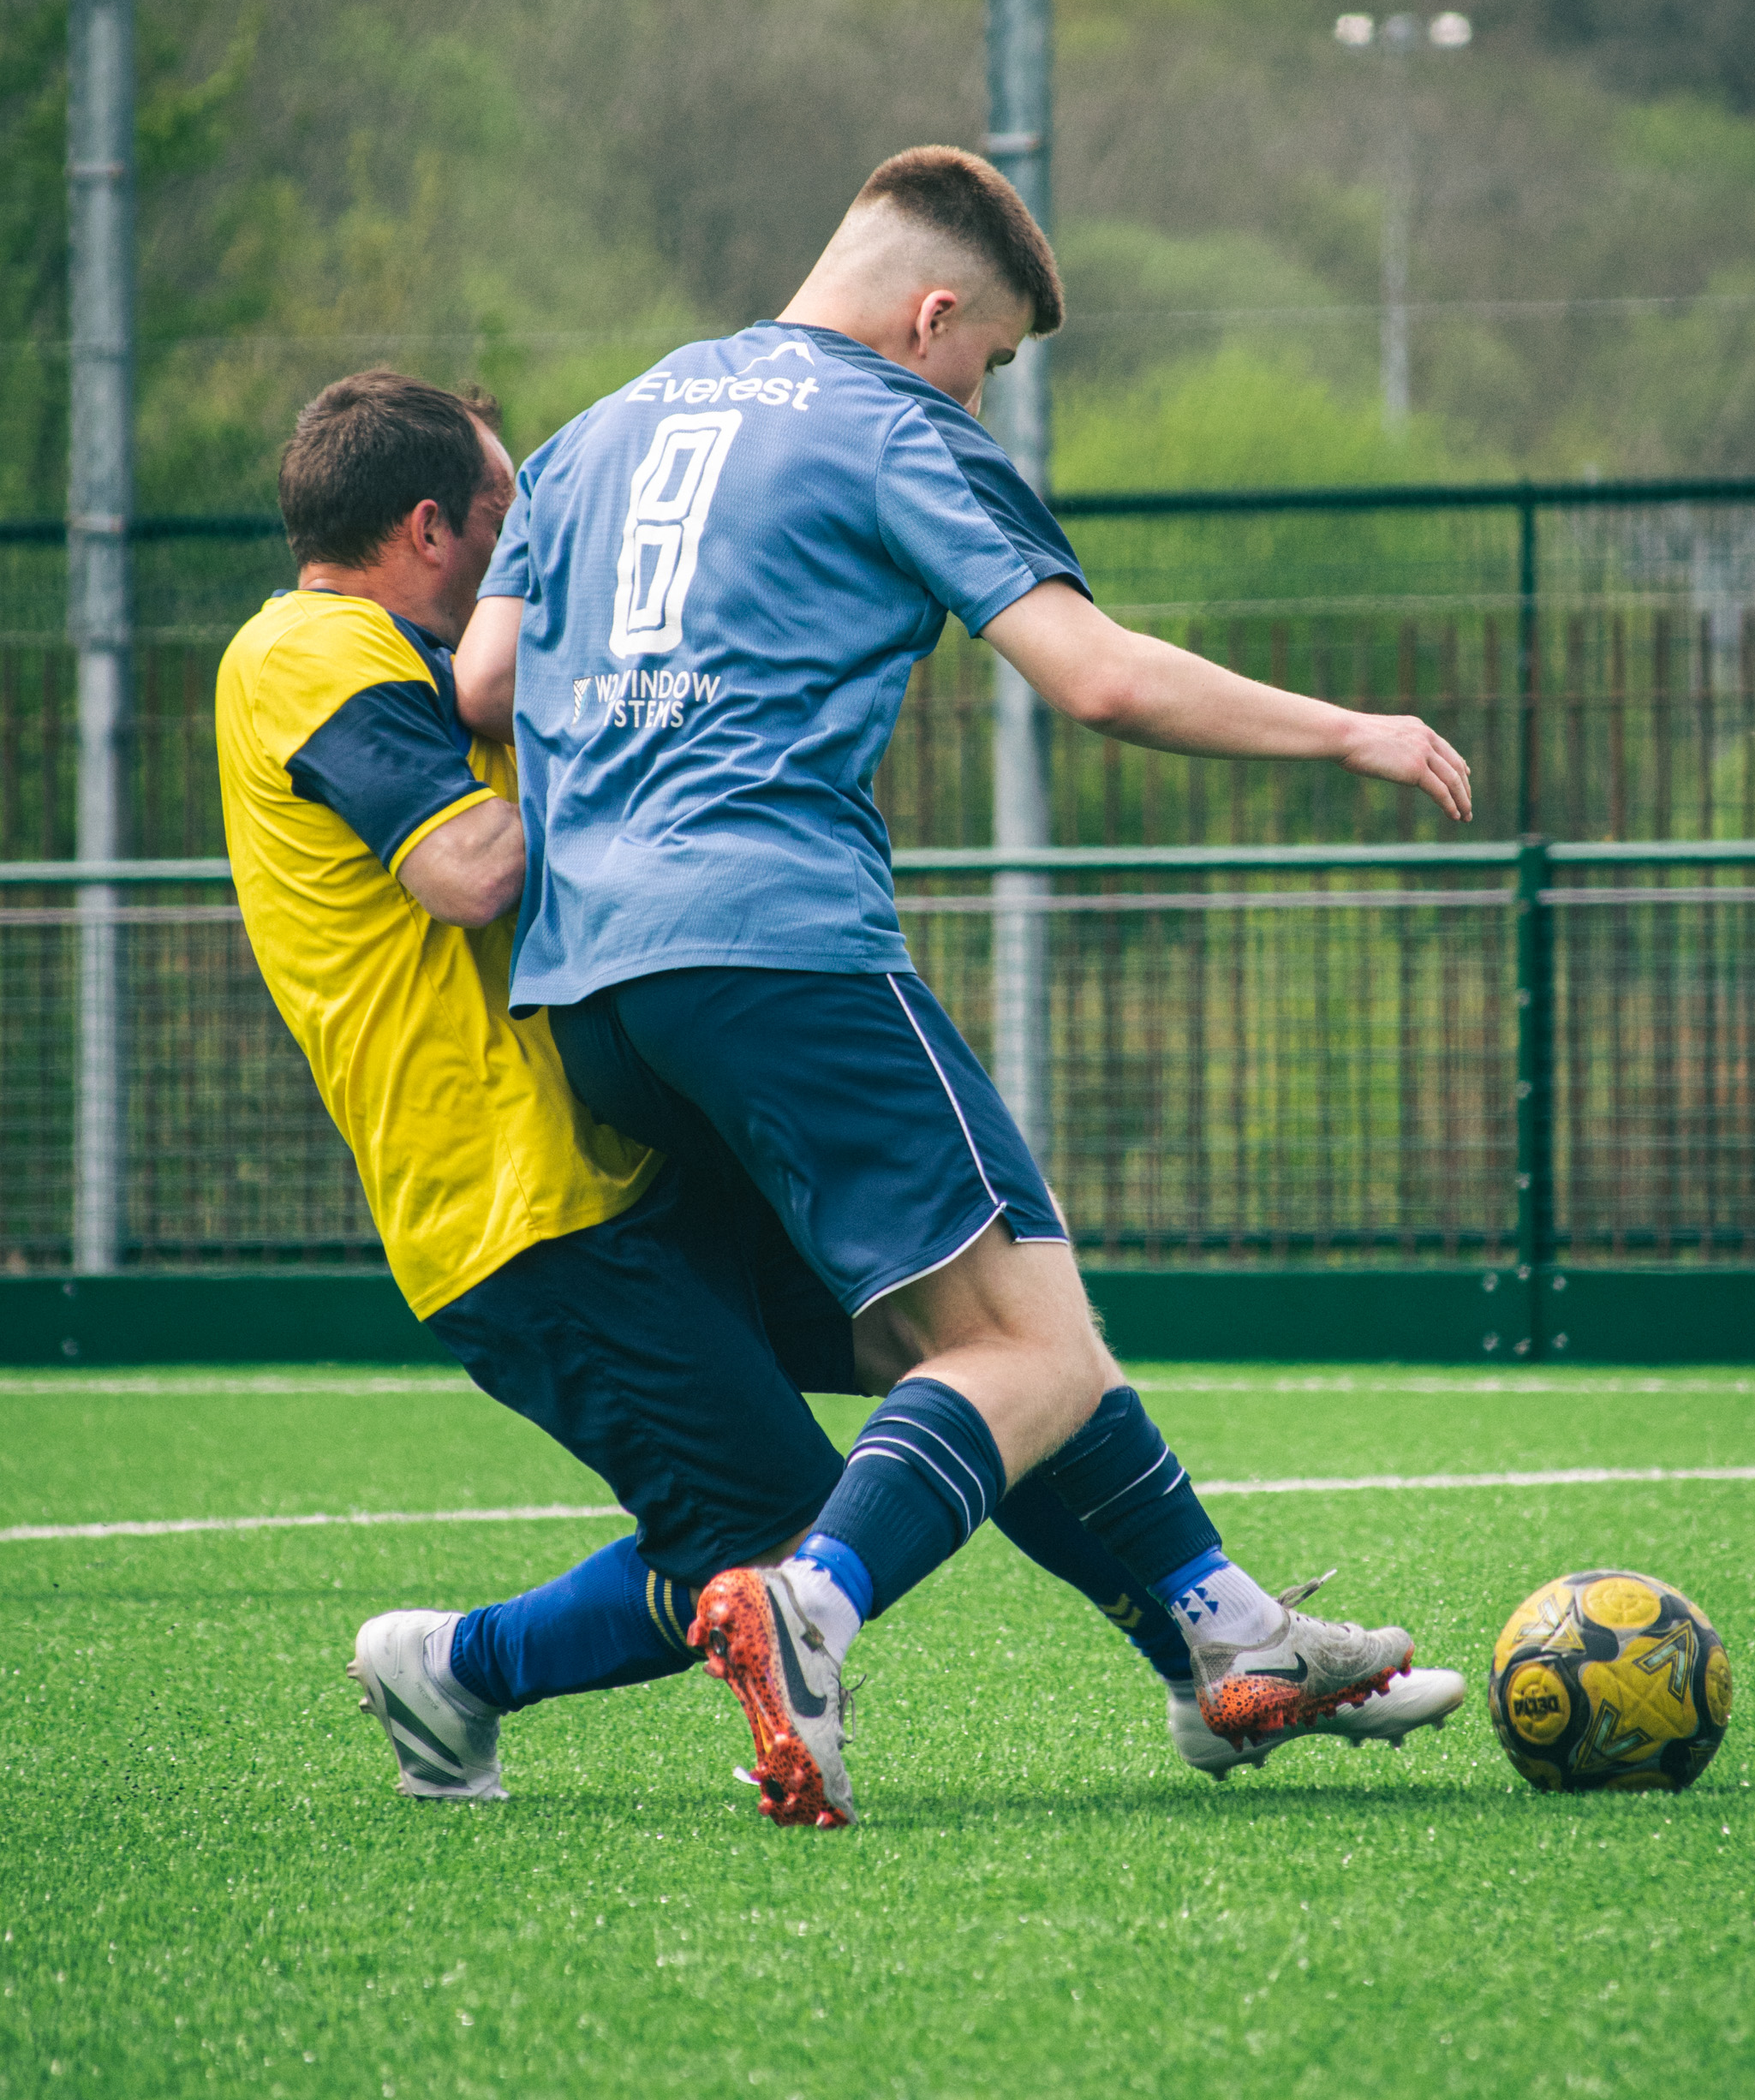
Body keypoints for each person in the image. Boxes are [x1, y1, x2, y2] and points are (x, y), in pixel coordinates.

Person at [219, 368, 1460, 1813]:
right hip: (523, 1212)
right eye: (514, 518)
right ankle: (453, 1668)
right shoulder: (305, 648)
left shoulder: (436, 666)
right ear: (430, 529)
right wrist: (664, 777)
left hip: (636, 1153)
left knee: (990, 1333)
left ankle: (1225, 1640)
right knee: (771, 1530)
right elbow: (470, 869)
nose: (534, 549)